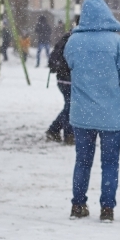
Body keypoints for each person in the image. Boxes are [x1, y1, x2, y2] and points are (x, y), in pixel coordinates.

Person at [63, 0, 120, 223]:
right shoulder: (117, 43)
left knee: (82, 161)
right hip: (112, 114)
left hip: (81, 114)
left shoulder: (73, 42)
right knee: (110, 163)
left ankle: (78, 204)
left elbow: (70, 66)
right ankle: (107, 209)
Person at [46, 16, 77, 145]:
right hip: (68, 79)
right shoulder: (74, 40)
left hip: (63, 78)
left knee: (69, 106)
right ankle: (67, 134)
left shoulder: (67, 37)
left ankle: (55, 130)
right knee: (70, 107)